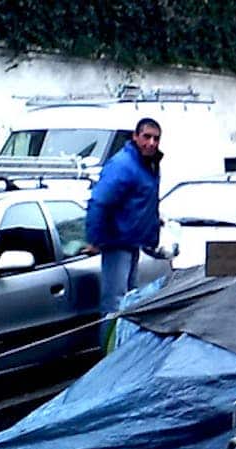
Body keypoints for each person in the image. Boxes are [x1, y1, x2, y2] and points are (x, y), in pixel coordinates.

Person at [85, 118, 163, 336]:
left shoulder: (147, 164)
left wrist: (155, 226)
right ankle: (109, 357)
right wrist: (95, 239)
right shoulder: (123, 165)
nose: (151, 143)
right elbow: (100, 201)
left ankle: (123, 352)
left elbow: (142, 203)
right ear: (135, 137)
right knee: (115, 304)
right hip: (116, 242)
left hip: (132, 242)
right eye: (146, 136)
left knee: (129, 301)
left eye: (156, 138)